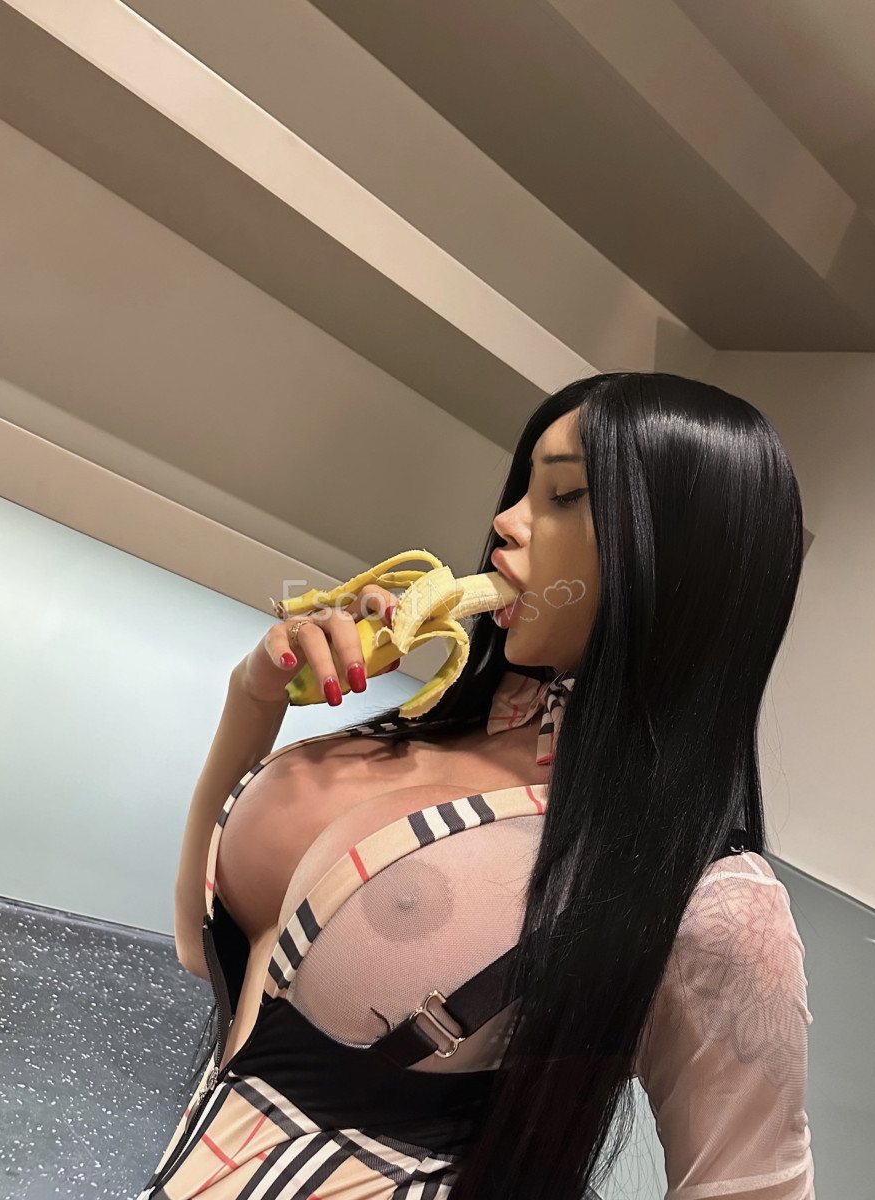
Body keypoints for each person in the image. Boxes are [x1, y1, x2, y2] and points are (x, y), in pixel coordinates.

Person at [142, 372, 814, 1200]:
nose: (506, 521)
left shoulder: (712, 900)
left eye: (564, 494)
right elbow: (197, 945)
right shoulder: (424, 731)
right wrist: (253, 697)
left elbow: (752, 1184)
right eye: (523, 489)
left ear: (679, 559)